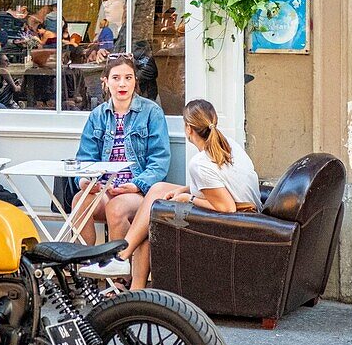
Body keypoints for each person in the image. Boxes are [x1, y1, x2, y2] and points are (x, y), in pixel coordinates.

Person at [89, 98, 261, 288]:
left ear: (188, 129)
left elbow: (226, 207)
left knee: (149, 223)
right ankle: (133, 287)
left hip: (236, 220)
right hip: (249, 214)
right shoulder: (228, 144)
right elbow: (219, 185)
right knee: (157, 191)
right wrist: (184, 189)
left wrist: (190, 198)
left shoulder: (200, 163)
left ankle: (120, 256)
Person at [70, 53, 171, 246]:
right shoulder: (97, 116)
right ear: (105, 81)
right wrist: (84, 181)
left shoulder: (151, 112)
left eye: (128, 78)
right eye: (116, 78)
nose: (122, 84)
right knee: (79, 201)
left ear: (135, 81)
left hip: (139, 191)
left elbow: (159, 162)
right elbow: (85, 160)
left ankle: (120, 271)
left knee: (116, 208)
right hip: (105, 188)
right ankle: (85, 266)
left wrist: (136, 185)